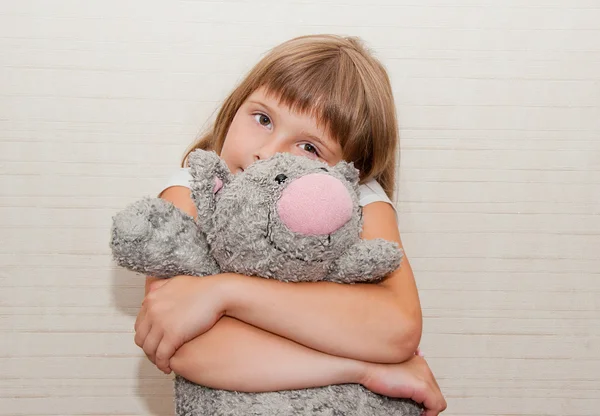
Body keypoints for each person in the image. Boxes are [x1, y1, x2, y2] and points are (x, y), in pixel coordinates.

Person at [133, 34, 447, 415]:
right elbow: (182, 346)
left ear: (350, 172)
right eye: (263, 119)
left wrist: (224, 293)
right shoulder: (193, 190)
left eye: (309, 147)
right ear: (236, 105)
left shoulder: (360, 199)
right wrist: (363, 367)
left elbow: (396, 328)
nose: (266, 152)